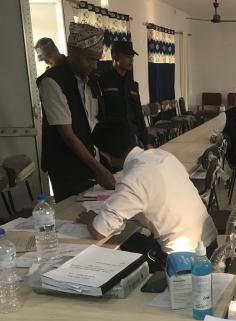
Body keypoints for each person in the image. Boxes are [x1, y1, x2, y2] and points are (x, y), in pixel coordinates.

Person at [77, 120, 218, 269]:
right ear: (135, 139)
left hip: (184, 263)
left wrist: (90, 219)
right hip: (210, 245)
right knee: (133, 239)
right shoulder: (163, 155)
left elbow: (99, 231)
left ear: (105, 156)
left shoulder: (133, 181)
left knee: (118, 251)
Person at [37, 23, 115, 202]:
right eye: (90, 59)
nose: (95, 66)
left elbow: (94, 121)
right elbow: (68, 135)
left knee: (101, 210)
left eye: (97, 60)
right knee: (73, 214)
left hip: (93, 161)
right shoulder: (52, 82)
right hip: (68, 169)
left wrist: (105, 154)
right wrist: (98, 169)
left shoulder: (91, 79)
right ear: (72, 52)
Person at [99, 41, 152, 148]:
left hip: (133, 138)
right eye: (127, 56)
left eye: (132, 57)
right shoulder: (103, 81)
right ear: (115, 56)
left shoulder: (132, 84)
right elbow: (100, 114)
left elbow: (138, 115)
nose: (131, 60)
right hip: (113, 140)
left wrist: (146, 142)